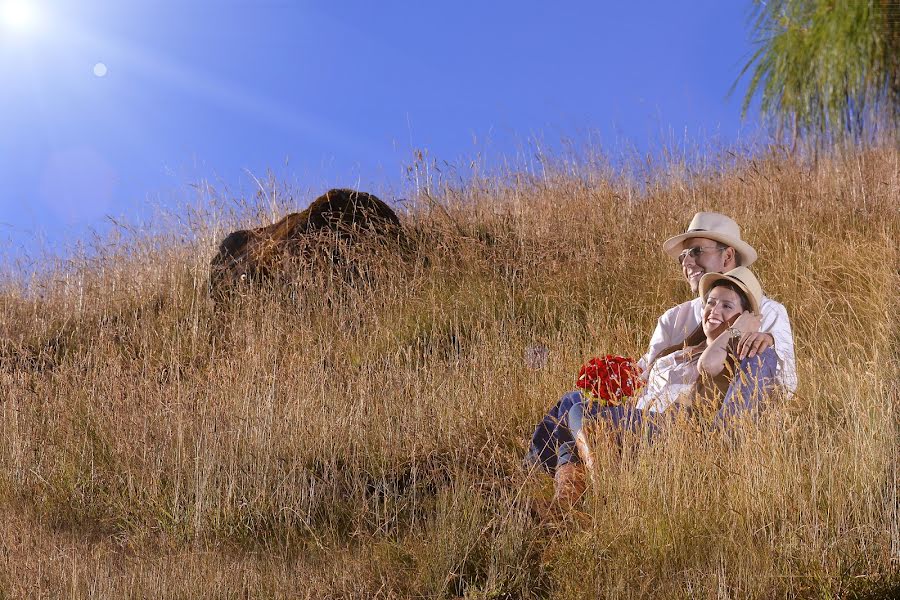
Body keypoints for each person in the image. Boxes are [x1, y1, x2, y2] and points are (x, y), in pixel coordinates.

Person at [528, 267, 779, 508]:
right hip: (643, 416)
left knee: (579, 413)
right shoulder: (684, 348)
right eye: (711, 302)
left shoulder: (738, 352)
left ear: (746, 318)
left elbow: (708, 366)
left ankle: (597, 493)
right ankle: (556, 496)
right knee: (571, 402)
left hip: (676, 429)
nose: (714, 310)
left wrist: (738, 330)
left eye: (727, 306)